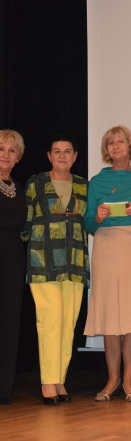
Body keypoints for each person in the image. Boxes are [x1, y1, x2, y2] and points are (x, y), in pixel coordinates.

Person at [84, 125, 131, 403]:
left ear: (130, 147)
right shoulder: (97, 181)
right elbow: (88, 223)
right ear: (106, 150)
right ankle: (112, 379)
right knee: (111, 315)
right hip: (105, 247)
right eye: (110, 143)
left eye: (120, 142)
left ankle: (129, 380)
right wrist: (98, 217)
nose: (116, 146)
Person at [22, 134, 89, 405]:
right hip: (44, 262)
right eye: (57, 151)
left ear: (75, 156)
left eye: (67, 151)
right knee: (49, 322)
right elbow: (25, 222)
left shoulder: (84, 185)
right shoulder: (35, 182)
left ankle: (59, 378)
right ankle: (48, 382)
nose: (62, 155)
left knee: (68, 324)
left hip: (75, 262)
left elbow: (88, 220)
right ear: (49, 156)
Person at [0, 130, 26, 405]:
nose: (5, 155)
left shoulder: (20, 188)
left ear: (18, 157)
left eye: (11, 150)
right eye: (1, 149)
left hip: (13, 258)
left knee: (8, 322)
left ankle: (4, 388)